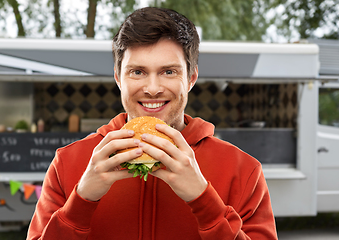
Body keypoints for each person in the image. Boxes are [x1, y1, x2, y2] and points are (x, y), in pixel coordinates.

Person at [27, 7, 278, 240]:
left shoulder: (244, 169)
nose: (153, 89)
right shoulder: (67, 162)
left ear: (191, 79)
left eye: (169, 72)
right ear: (118, 78)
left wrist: (204, 200)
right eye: (137, 72)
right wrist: (81, 201)